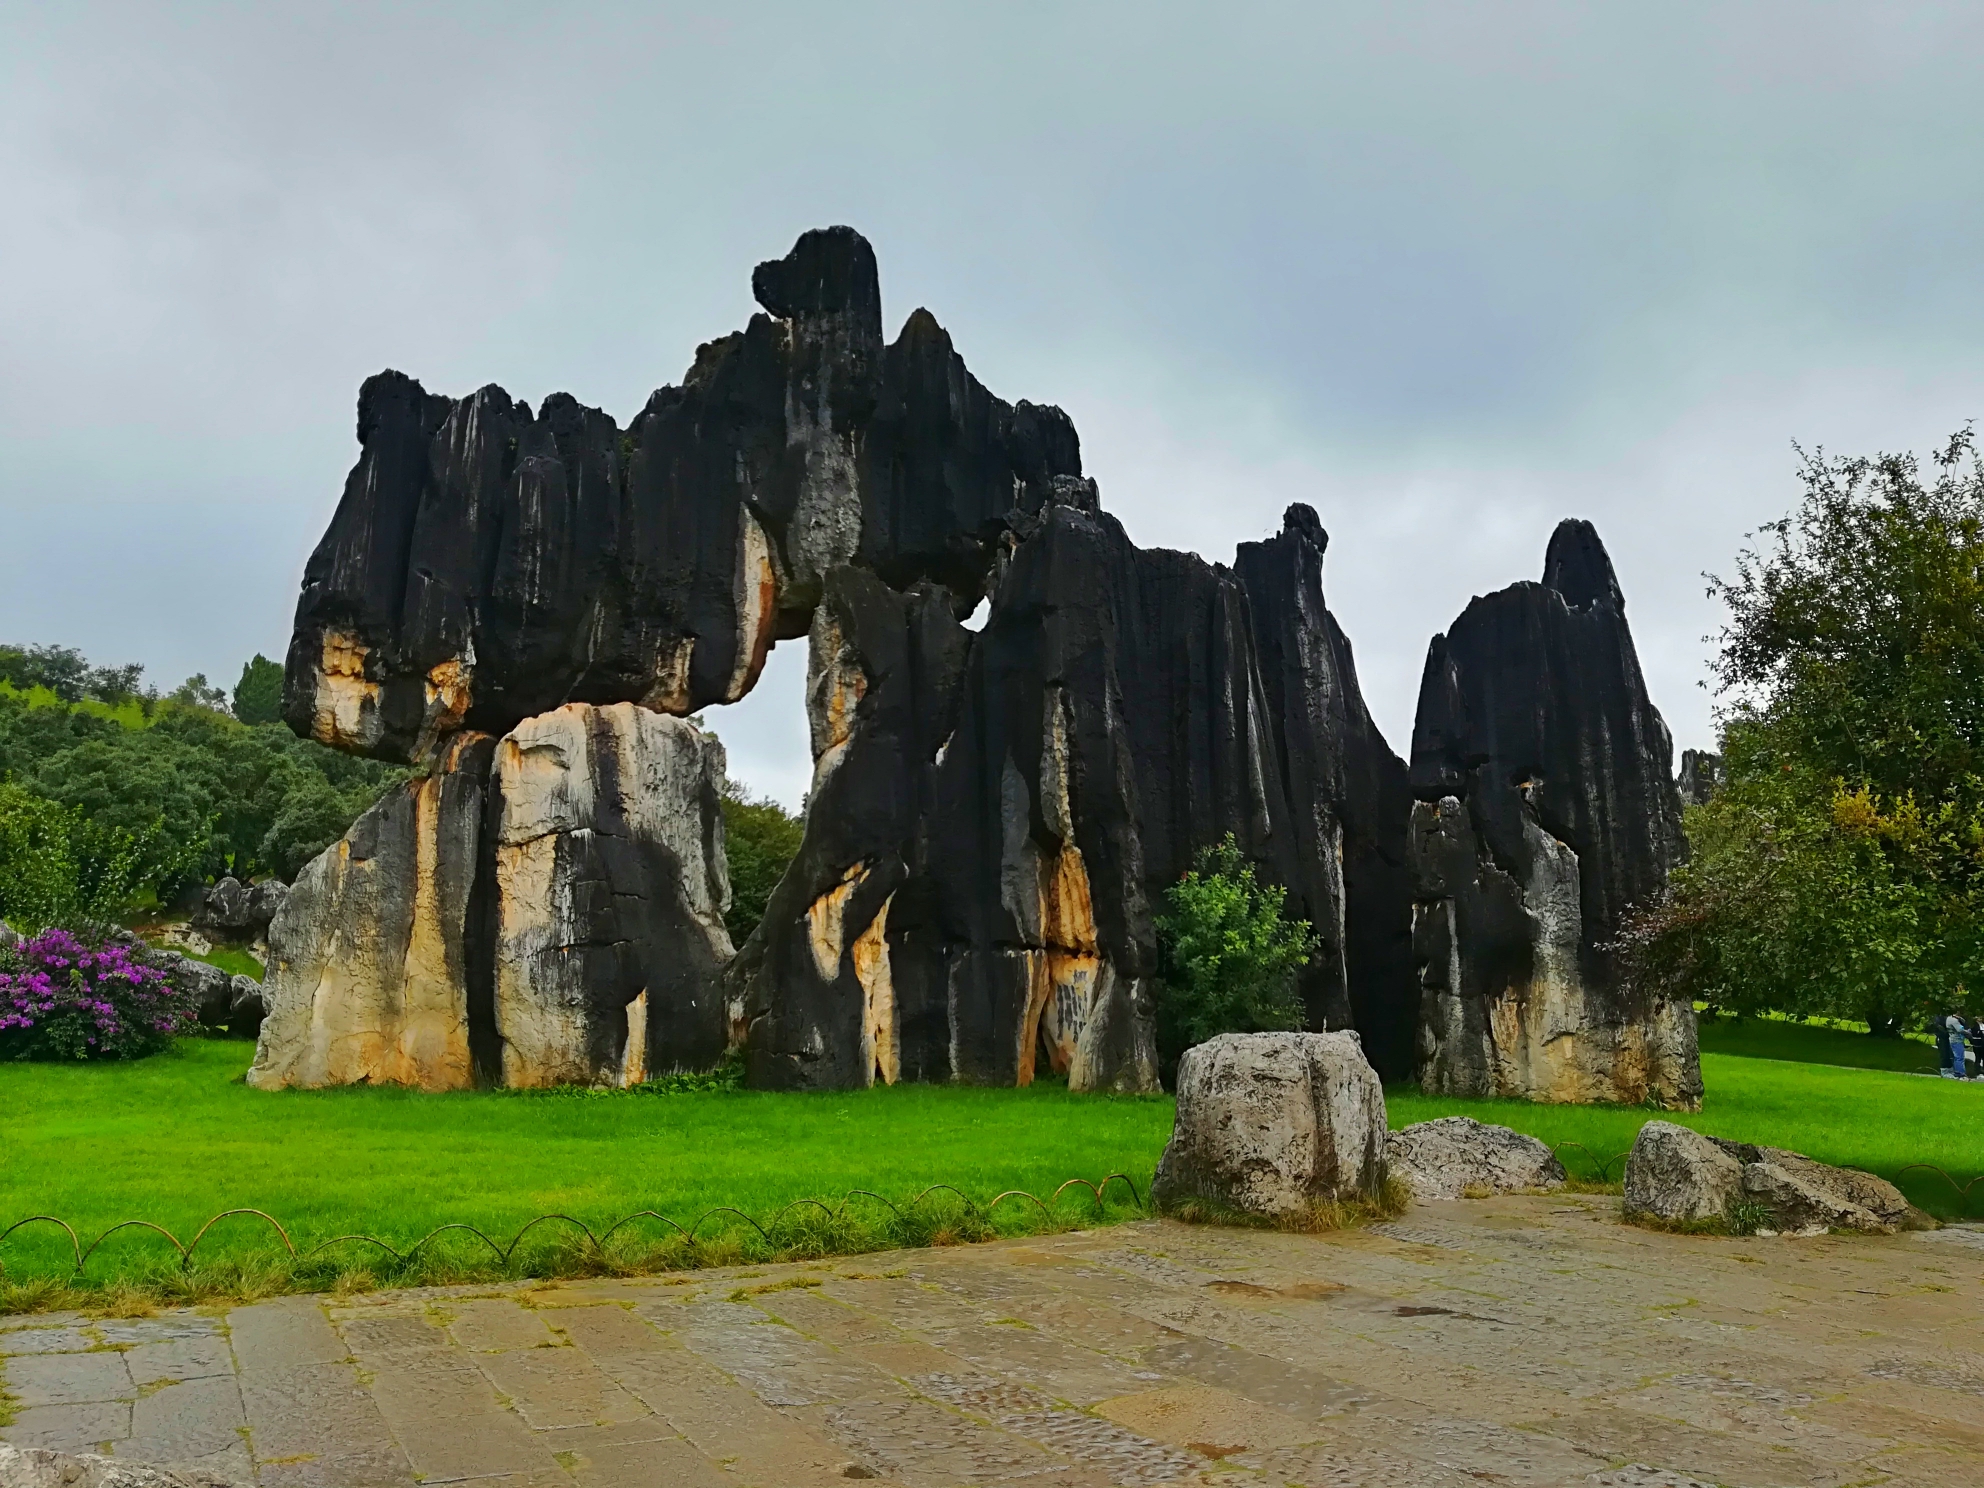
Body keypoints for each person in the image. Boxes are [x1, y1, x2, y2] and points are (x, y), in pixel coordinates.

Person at [1947, 1012, 1971, 1080]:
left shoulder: (1949, 1018)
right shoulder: (1954, 1020)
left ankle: (1958, 1072)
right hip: (1957, 1040)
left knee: (1957, 1057)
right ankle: (1961, 1073)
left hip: (1953, 1039)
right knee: (1959, 1057)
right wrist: (1968, 1032)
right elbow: (1960, 1030)